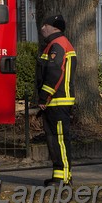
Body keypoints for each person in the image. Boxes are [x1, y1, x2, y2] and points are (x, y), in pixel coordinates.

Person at [37, 14, 76, 186]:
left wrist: (44, 96)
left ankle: (65, 177)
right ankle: (59, 176)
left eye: (44, 25)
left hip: (58, 101)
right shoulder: (55, 44)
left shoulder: (57, 45)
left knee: (59, 139)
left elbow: (55, 73)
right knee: (54, 139)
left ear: (54, 27)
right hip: (56, 101)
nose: (42, 28)